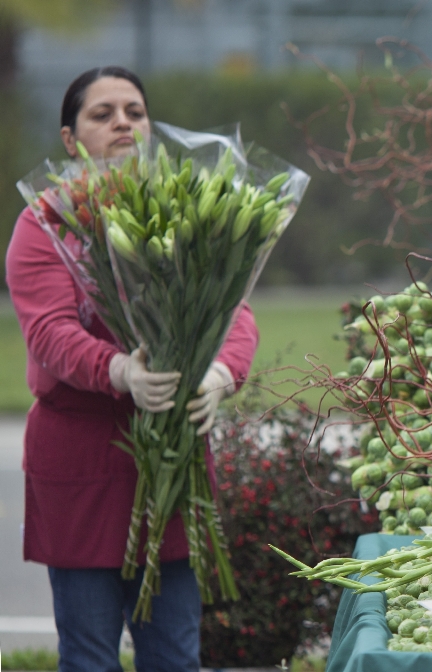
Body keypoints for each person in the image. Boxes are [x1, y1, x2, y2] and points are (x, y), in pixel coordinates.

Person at [7, 67, 259, 672]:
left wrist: (220, 373)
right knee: (89, 656)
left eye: (134, 111)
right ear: (70, 140)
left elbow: (234, 309)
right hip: (80, 458)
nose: (123, 122)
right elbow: (49, 333)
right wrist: (119, 370)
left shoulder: (185, 209)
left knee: (174, 656)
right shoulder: (44, 225)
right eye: (102, 114)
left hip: (171, 459)